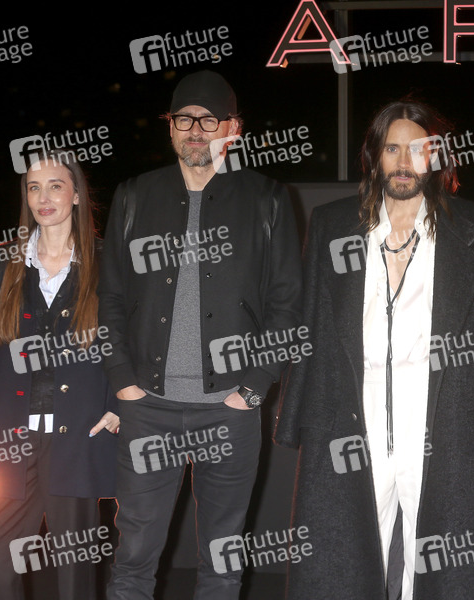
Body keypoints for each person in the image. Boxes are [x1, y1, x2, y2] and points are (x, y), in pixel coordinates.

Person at [274, 100, 474, 599]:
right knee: (341, 560)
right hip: (353, 417)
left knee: (446, 566)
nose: (404, 162)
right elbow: (310, 324)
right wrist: (297, 414)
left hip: (446, 418)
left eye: (417, 149)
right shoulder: (332, 225)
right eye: (392, 149)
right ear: (374, 156)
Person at [98, 69, 302, 600]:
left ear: (233, 128)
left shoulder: (267, 199)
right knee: (132, 561)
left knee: (221, 565)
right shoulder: (134, 196)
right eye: (184, 118)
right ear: (169, 126)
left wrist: (252, 390)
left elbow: (287, 304)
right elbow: (110, 297)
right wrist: (123, 382)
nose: (195, 129)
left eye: (209, 119)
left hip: (229, 409)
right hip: (148, 407)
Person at [0, 152, 118, 600]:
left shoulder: (109, 261)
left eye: (56, 185)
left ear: (76, 195)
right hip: (11, 435)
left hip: (79, 434)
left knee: (75, 568)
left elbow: (127, 345)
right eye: (34, 187)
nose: (43, 197)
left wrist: (116, 407)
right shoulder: (3, 263)